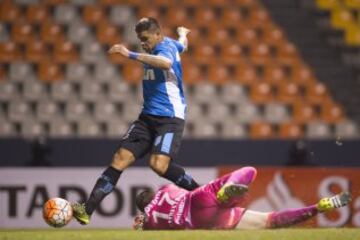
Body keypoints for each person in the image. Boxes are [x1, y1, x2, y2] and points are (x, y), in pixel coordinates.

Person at [72, 17, 200, 225]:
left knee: (158, 165)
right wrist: (183, 34)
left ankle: (201, 193)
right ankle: (87, 209)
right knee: (120, 157)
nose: (143, 43)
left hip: (170, 117)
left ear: (158, 34)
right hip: (147, 117)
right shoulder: (171, 44)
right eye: (140, 39)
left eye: (146, 39)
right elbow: (183, 47)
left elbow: (166, 63)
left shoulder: (164, 49)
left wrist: (128, 53)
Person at [133, 166, 352, 230]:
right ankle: (226, 189)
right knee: (249, 171)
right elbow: (173, 184)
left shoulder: (148, 219)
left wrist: (141, 221)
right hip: (199, 199)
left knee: (271, 221)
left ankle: (319, 207)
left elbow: (138, 228)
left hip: (201, 221)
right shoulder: (163, 189)